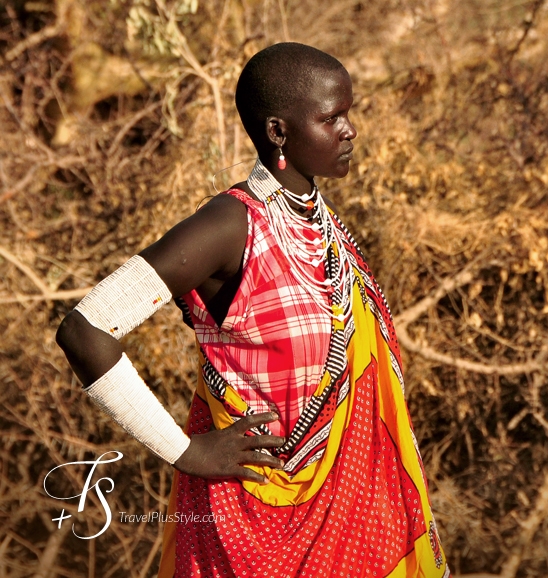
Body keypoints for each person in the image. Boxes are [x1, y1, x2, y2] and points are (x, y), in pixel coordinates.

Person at [56, 42, 448, 577]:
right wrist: (185, 452)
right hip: (256, 526)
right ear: (278, 132)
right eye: (331, 118)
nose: (349, 130)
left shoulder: (320, 222)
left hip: (359, 518)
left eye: (348, 114)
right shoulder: (229, 226)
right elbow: (86, 329)